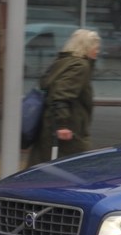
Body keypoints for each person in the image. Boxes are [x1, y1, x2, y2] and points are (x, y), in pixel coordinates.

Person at [27, 28, 100, 167]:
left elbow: (46, 84)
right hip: (69, 129)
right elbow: (61, 95)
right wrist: (63, 125)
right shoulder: (80, 66)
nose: (98, 51)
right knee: (78, 167)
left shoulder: (62, 62)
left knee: (44, 166)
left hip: (49, 125)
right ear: (87, 47)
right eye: (96, 47)